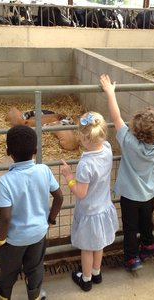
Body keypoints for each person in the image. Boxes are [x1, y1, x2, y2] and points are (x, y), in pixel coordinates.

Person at [99, 74, 154, 272]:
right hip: (148, 193)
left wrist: (110, 93)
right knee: (146, 221)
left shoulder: (128, 142)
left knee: (130, 227)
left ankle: (131, 258)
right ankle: (149, 245)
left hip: (130, 194)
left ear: (134, 130)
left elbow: (116, 117)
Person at [0, 125, 63, 300]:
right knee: (35, 267)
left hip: (14, 240)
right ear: (35, 150)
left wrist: (1, 238)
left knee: (9, 270)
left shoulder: (5, 182)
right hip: (39, 234)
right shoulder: (44, 170)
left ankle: (3, 296)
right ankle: (35, 295)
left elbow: (6, 217)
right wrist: (50, 220)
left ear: (8, 151)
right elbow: (59, 197)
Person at [61, 111, 119, 292]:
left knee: (87, 248)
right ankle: (96, 272)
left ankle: (86, 280)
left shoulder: (85, 165)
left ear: (84, 139)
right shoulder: (108, 149)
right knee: (98, 244)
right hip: (102, 207)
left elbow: (80, 192)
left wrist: (69, 177)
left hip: (89, 212)